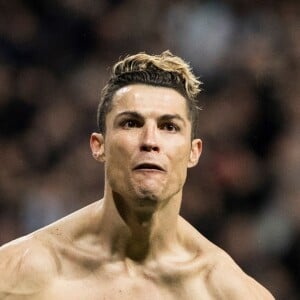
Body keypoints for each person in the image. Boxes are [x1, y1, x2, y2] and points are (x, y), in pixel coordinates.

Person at [0, 51, 274, 299]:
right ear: (99, 146)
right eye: (131, 123)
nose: (150, 140)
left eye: (169, 126)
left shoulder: (231, 293)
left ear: (194, 152)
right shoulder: (17, 273)